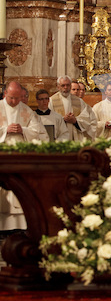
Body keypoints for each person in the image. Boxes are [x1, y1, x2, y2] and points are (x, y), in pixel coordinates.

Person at [0, 82, 49, 232]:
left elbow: (39, 132)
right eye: (11, 98)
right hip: (2, 154)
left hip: (19, 156)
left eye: (17, 98)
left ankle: (18, 227)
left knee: (18, 188)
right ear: (5, 94)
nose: (14, 101)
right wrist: (4, 130)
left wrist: (24, 130)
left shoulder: (26, 110)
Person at [49, 75, 96, 141]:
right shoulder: (51, 101)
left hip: (75, 136)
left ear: (70, 86)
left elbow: (87, 118)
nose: (65, 87)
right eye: (63, 85)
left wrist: (75, 121)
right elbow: (49, 119)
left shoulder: (79, 101)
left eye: (68, 85)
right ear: (58, 87)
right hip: (59, 137)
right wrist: (62, 119)